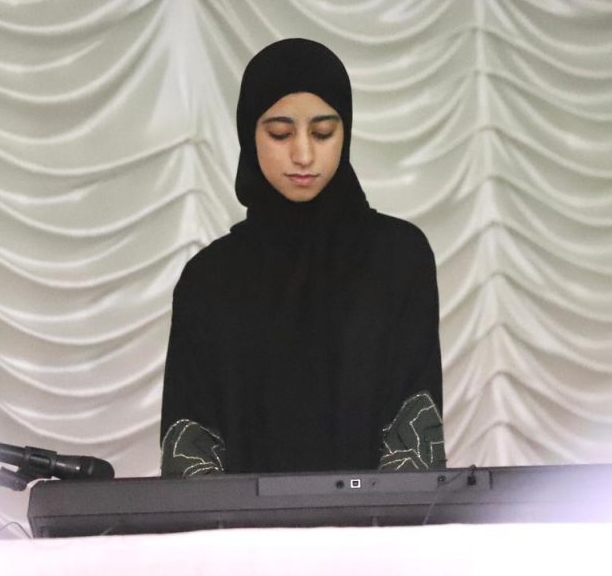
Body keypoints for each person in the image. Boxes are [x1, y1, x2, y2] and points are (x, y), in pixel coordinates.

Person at [160, 38, 445, 476]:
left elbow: (412, 437)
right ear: (248, 134)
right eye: (280, 133)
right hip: (240, 525)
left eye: (323, 133)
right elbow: (191, 451)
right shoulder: (208, 280)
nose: (304, 154)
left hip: (379, 521)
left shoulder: (398, 260)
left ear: (346, 132)